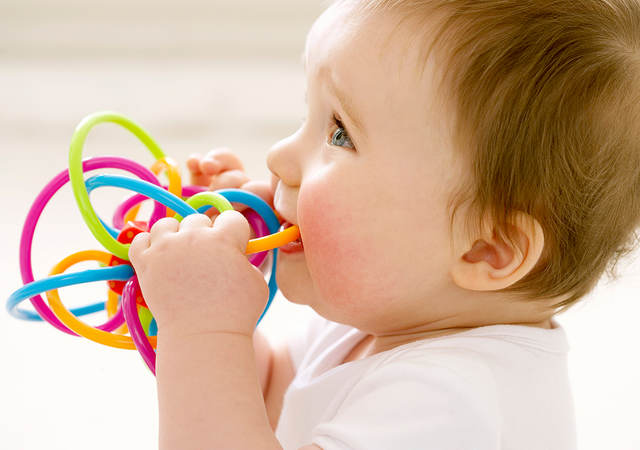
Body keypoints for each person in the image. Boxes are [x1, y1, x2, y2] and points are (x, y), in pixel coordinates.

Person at [128, 0, 640, 448]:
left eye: (340, 134)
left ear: (486, 248)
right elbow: (265, 398)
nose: (279, 156)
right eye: (310, 113)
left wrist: (203, 328)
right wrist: (206, 303)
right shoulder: (387, 312)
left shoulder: (450, 400)